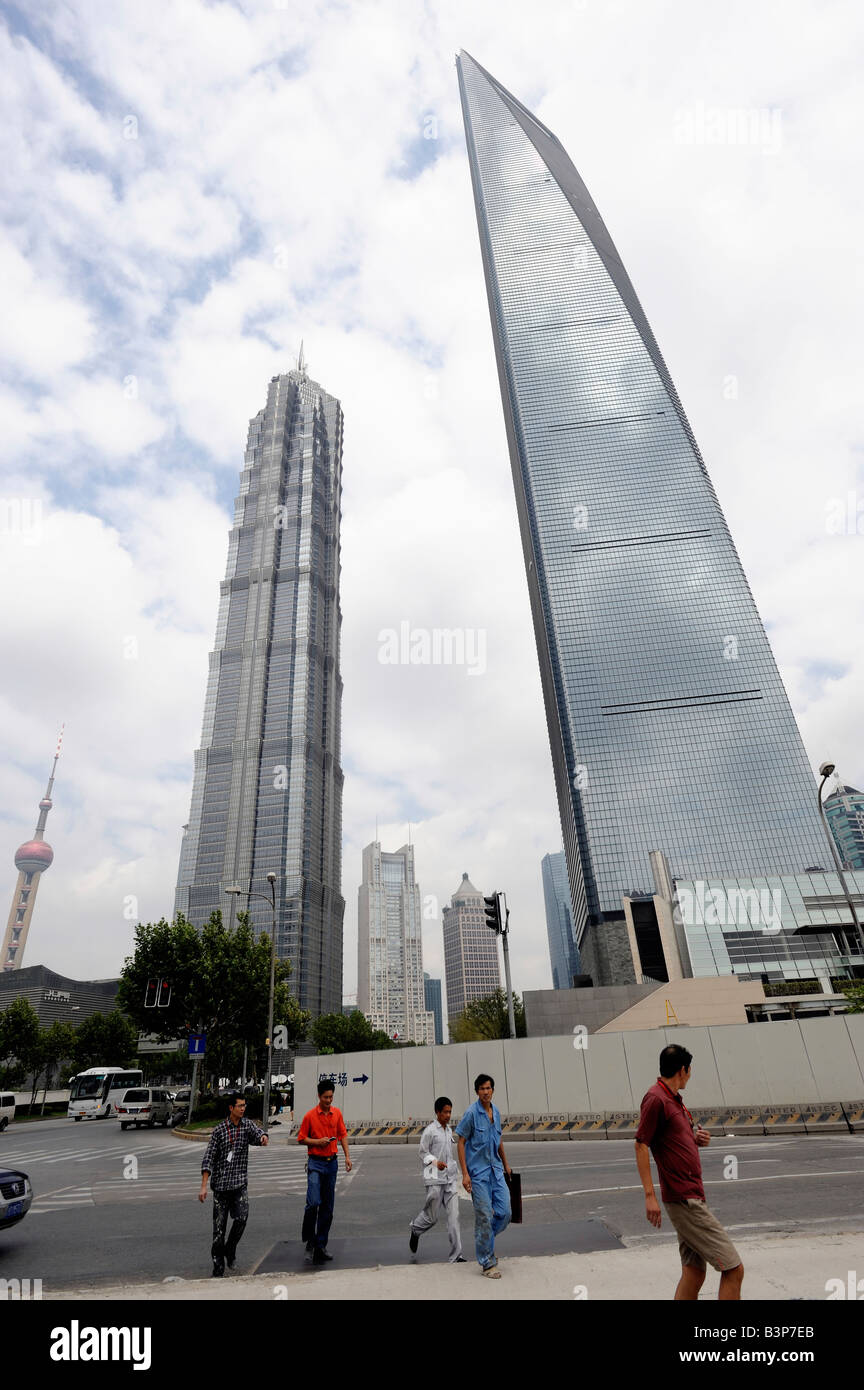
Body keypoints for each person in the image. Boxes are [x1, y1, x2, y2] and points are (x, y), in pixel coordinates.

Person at [635, 1043, 744, 1300]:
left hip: (690, 1195)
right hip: (685, 1200)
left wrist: (696, 1139)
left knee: (694, 1272)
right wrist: (650, 1195)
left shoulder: (674, 1100)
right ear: (682, 1070)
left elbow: (673, 1139)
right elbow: (641, 1144)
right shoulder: (656, 1098)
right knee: (733, 1268)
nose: (690, 1075)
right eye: (689, 1070)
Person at [199, 1092, 269, 1277]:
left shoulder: (246, 1125)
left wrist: (263, 1137)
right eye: (240, 1106)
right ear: (231, 1108)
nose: (243, 1108)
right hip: (221, 1188)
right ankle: (218, 1267)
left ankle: (231, 1249)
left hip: (239, 1185)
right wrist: (204, 1186)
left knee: (242, 1218)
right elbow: (208, 1158)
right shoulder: (220, 1130)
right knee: (218, 1231)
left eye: (244, 1105)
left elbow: (258, 1134)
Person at [455, 1073, 512, 1278]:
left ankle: (484, 1239)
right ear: (477, 1091)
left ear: (493, 1090)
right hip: (478, 1174)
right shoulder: (471, 1113)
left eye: (488, 1088)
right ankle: (488, 1263)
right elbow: (461, 1142)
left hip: (496, 1171)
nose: (485, 1092)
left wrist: (506, 1164)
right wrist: (465, 1174)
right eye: (482, 1089)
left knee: (505, 1213)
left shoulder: (495, 1111)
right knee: (484, 1216)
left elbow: (499, 1139)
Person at [297, 1079, 352, 1265]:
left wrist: (347, 1157)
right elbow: (301, 1139)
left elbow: (342, 1134)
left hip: (331, 1164)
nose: (329, 1100)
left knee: (328, 1207)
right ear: (319, 1096)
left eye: (331, 1097)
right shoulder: (310, 1116)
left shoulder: (337, 1114)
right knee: (313, 1202)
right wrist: (317, 1142)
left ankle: (321, 1245)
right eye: (325, 1097)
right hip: (315, 1163)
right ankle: (309, 1240)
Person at [409, 1096, 465, 1264]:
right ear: (438, 1112)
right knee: (431, 1218)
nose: (448, 1115)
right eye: (445, 1112)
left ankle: (456, 1256)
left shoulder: (449, 1130)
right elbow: (423, 1152)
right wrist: (435, 1162)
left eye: (450, 1112)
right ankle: (416, 1230)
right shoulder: (430, 1131)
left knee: (454, 1218)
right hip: (433, 1177)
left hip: (450, 1179)